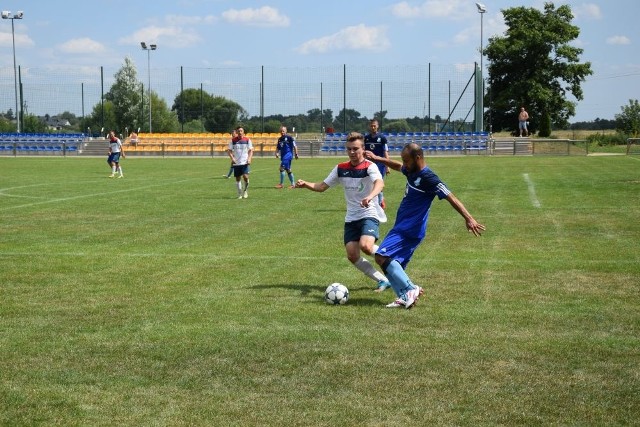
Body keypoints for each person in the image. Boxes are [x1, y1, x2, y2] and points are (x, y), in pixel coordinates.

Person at [365, 143, 485, 309]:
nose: (405, 164)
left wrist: (469, 218)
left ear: (418, 158)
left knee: (381, 256)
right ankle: (404, 296)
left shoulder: (429, 177)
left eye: (407, 160)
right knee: (392, 263)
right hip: (404, 225)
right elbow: (399, 167)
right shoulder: (411, 170)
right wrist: (378, 158)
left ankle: (410, 289)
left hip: (409, 228)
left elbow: (452, 197)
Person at [296, 131, 391, 292]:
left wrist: (370, 196)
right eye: (349, 149)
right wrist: (306, 184)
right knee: (352, 255)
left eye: (355, 149)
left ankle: (391, 260)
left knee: (366, 246)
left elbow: (379, 183)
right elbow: (322, 186)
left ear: (363, 149)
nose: (352, 152)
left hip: (369, 213)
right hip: (351, 217)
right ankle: (383, 280)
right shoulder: (341, 168)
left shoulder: (370, 166)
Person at [363, 119, 390, 208]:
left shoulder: (382, 138)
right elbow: (363, 151)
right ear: (369, 126)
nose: (373, 127)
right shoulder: (366, 138)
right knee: (369, 182)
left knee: (378, 182)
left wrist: (387, 166)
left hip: (380, 164)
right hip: (369, 164)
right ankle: (376, 200)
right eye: (371, 125)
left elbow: (385, 152)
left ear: (377, 126)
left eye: (374, 125)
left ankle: (380, 202)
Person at [227, 126, 253, 199]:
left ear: (243, 132)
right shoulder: (233, 140)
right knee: (238, 179)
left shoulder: (247, 140)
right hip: (237, 162)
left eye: (241, 131)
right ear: (237, 132)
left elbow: (251, 150)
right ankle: (239, 194)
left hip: (245, 162)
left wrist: (249, 158)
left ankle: (245, 191)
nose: (240, 132)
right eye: (239, 131)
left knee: (245, 177)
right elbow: (229, 150)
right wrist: (232, 158)